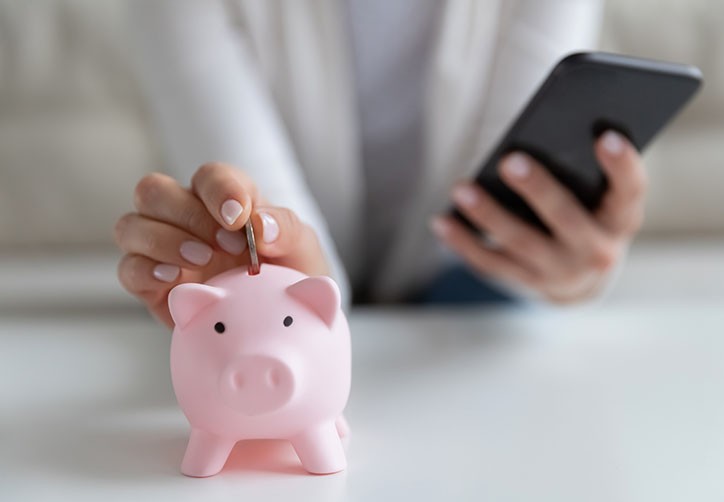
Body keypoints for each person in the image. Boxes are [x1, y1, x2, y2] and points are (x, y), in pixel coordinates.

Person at [114, 1, 647, 327]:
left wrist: (568, 267)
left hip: (465, 289)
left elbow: (510, 192)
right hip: (290, 306)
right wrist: (286, 294)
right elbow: (268, 232)